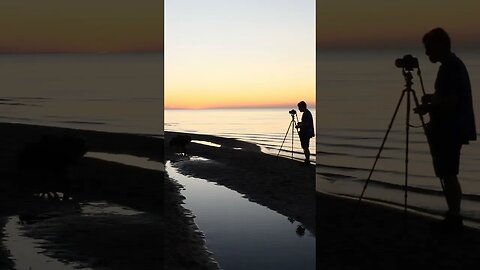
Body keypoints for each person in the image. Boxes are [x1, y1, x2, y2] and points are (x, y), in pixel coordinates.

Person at [414, 28, 476, 231]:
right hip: (451, 128)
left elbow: (452, 101)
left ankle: (454, 217)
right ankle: (453, 215)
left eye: (428, 48)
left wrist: (428, 107)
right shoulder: (451, 65)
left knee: (448, 173)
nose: (426, 53)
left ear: (440, 45)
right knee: (447, 172)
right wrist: (433, 97)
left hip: (450, 129)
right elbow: (449, 96)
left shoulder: (451, 67)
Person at [296, 101, 315, 165]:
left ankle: (307, 160)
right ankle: (307, 160)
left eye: (299, 107)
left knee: (305, 147)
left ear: (302, 107)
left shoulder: (306, 113)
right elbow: (305, 123)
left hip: (306, 133)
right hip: (306, 132)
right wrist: (300, 124)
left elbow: (306, 124)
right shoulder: (307, 113)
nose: (299, 109)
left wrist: (299, 125)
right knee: (305, 146)